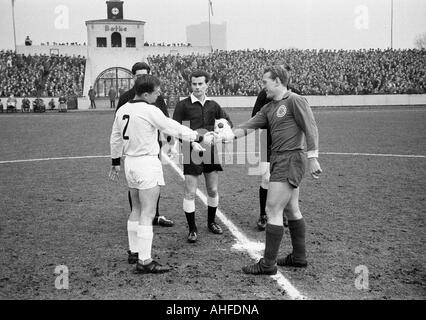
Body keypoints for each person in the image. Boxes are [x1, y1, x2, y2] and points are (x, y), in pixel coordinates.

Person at [218, 65, 322, 275]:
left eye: (265, 82)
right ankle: (299, 257)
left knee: (272, 210)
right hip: (279, 158)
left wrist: (313, 158)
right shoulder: (269, 108)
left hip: (290, 158)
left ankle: (268, 264)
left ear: (277, 81)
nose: (262, 86)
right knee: (292, 209)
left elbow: (311, 128)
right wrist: (226, 136)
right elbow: (249, 125)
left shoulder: (295, 100)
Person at [109, 75, 198, 274]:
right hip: (146, 162)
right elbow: (170, 127)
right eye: (157, 92)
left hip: (130, 163)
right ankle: (145, 260)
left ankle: (134, 251)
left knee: (137, 209)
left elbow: (115, 137)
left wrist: (115, 162)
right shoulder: (149, 110)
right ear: (146, 93)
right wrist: (196, 135)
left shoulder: (123, 109)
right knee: (148, 213)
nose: (159, 95)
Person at [172, 70, 233, 243]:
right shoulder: (182, 105)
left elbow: (227, 123)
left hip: (210, 152)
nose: (197, 87)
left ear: (207, 85)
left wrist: (222, 132)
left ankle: (211, 222)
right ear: (190, 85)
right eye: (194, 84)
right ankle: (192, 229)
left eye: (200, 84)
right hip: (191, 151)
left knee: (212, 190)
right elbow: (176, 129)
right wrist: (192, 143)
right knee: (190, 192)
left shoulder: (214, 105)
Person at [117, 62, 175, 228]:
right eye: (138, 75)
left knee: (153, 182)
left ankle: (154, 215)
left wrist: (169, 142)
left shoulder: (157, 97)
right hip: (132, 150)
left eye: (144, 75)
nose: (141, 78)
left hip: (152, 147)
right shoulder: (125, 98)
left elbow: (165, 121)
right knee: (134, 186)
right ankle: (138, 216)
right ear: (133, 77)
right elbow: (119, 125)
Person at [252, 84, 301, 231]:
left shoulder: (295, 95)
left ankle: (282, 212)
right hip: (266, 140)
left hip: (286, 142)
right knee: (266, 178)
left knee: (286, 179)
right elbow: (255, 115)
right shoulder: (264, 94)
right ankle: (263, 215)